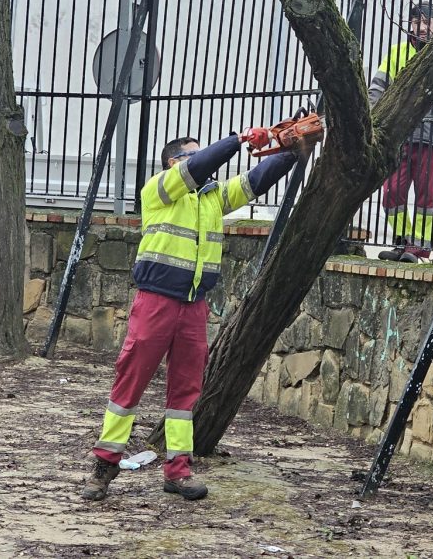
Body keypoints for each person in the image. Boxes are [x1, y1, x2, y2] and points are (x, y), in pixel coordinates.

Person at [82, 127, 296, 502]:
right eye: (193, 156)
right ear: (173, 162)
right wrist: (239, 140)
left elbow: (255, 180)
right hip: (156, 302)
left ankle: (178, 471)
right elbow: (204, 163)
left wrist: (292, 151)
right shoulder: (161, 188)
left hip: (194, 305)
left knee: (185, 393)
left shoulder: (212, 197)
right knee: (129, 383)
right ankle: (105, 463)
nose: (203, 163)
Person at [369, 2, 433, 263]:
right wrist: (373, 126)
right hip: (397, 138)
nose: (422, 27)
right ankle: (402, 242)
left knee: (427, 196)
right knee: (392, 192)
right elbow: (376, 92)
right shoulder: (396, 53)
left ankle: (420, 248)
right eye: (417, 22)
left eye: (427, 22)